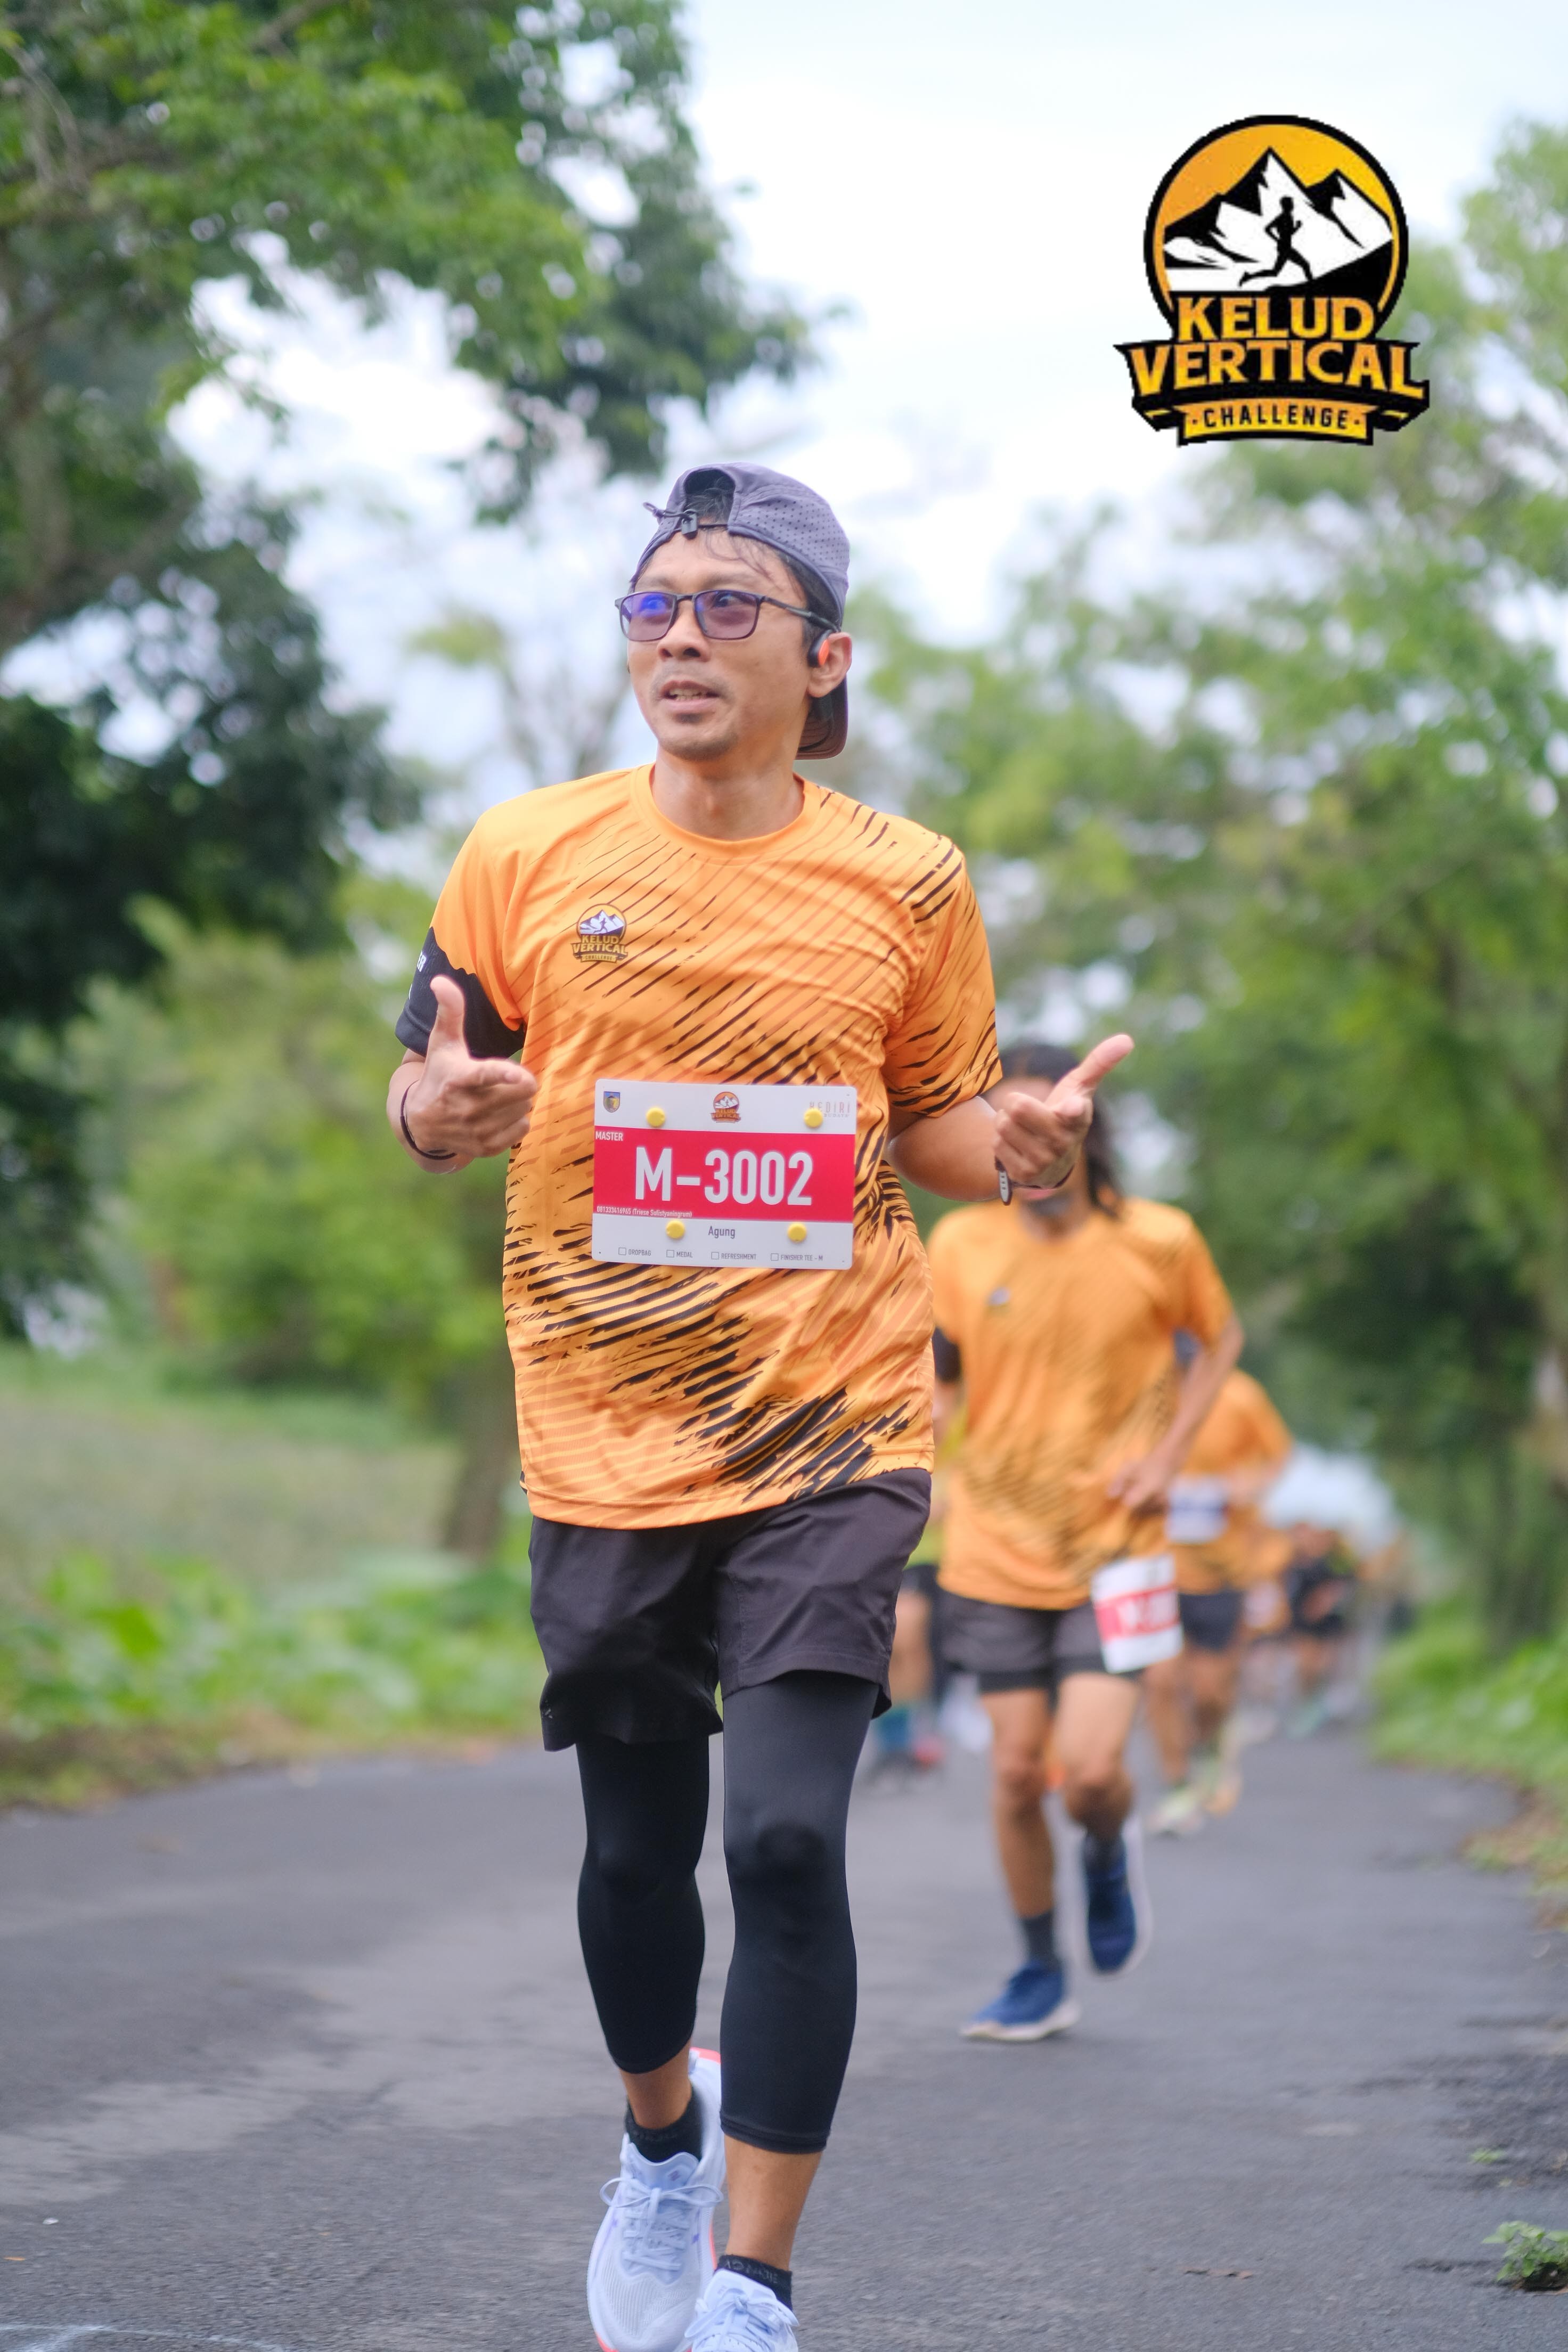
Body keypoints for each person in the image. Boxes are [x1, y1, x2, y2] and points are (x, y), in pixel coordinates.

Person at [385, 463, 1132, 2352]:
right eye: (655, 605)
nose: (683, 637)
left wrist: (1019, 1148)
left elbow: (936, 1121)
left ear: (827, 654)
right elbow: (432, 1078)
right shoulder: (524, 851)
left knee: (786, 1839)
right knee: (637, 1856)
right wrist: (437, 1113)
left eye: (731, 605)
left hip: (836, 1422)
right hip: (604, 1420)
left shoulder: (908, 879)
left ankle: (753, 2281)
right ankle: (661, 2142)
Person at [928, 1043, 1242, 2042]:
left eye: (1038, 1117)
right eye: (998, 1122)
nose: (1016, 1138)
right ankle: (1036, 1969)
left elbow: (1221, 1341)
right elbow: (939, 1379)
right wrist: (926, 1469)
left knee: (1092, 1772)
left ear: (1085, 1127)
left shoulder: (1160, 1239)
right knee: (1017, 1772)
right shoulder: (960, 1243)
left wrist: (1170, 1458)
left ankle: (1106, 1848)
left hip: (1121, 1544)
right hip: (992, 1545)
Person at [1145, 1364, 1292, 1834]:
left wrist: (1245, 1485)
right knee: (1161, 1682)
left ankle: (1210, 1745)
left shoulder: (1240, 1395)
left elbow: (1278, 1458)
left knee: (1210, 1690)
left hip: (1222, 1571)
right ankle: (1176, 1785)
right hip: (1154, 1566)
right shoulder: (1139, 1385)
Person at [1283, 1521, 1360, 1736]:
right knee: (1306, 1667)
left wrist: (1325, 1601)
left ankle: (1319, 1702)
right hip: (1303, 1620)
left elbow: (1346, 1583)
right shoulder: (1293, 1558)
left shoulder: (1337, 1560)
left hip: (1329, 1621)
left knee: (1325, 1665)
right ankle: (1306, 1703)